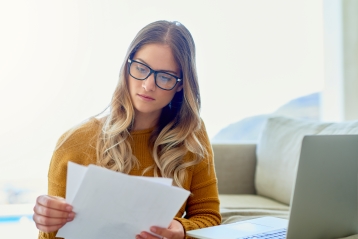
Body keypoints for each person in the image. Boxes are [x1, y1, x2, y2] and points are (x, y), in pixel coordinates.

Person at [33, 20, 221, 239]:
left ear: (180, 84)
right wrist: (49, 223)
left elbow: (209, 217)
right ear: (127, 66)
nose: (148, 85)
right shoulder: (74, 142)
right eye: (141, 68)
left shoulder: (191, 136)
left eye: (165, 77)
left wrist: (180, 231)